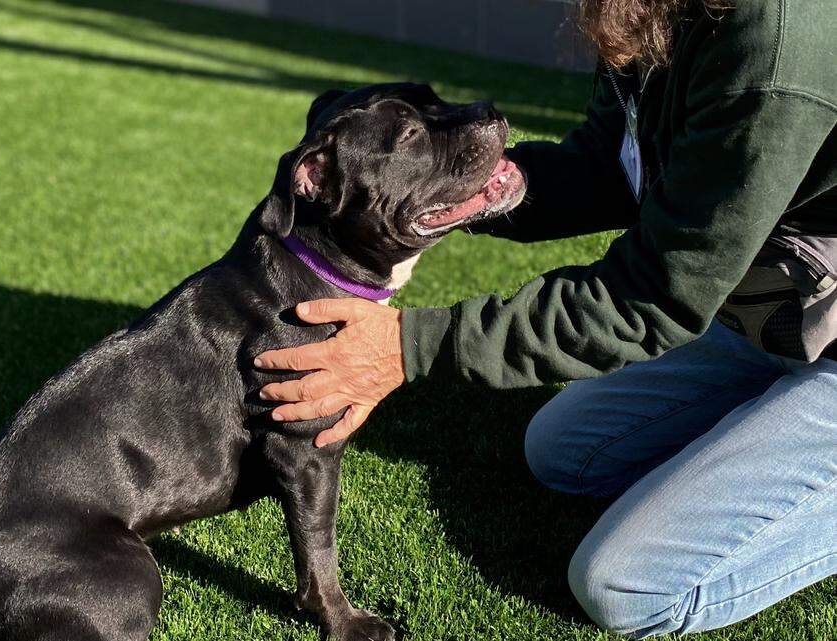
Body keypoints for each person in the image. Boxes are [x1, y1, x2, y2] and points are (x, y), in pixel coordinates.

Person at [253, 1, 837, 637]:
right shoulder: (650, 10)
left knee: (627, 589)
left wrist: (406, 347)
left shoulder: (774, 49)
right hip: (780, 309)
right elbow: (612, 166)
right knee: (564, 454)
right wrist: (465, 188)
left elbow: (650, 300)